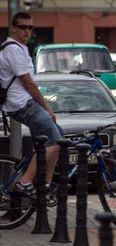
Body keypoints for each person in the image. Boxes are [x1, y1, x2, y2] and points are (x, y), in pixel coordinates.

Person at [0, 12, 63, 199]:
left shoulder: (20, 48)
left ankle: (46, 185)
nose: (27, 31)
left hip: (24, 103)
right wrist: (47, 108)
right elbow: (29, 84)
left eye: (30, 27)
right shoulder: (12, 50)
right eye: (22, 27)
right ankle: (25, 182)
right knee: (54, 141)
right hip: (22, 104)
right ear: (13, 28)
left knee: (59, 138)